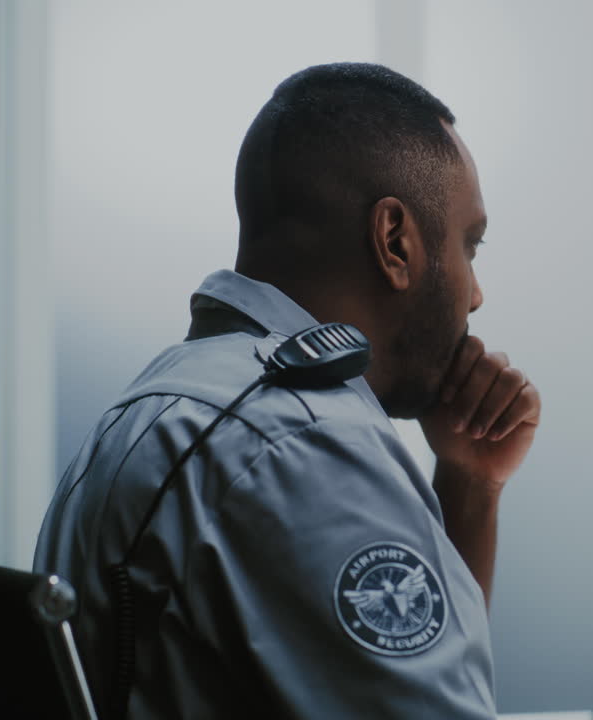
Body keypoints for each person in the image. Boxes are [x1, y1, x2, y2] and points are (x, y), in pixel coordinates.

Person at [34, 62, 540, 719]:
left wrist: (469, 483)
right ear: (395, 241)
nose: (475, 295)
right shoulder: (303, 446)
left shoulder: (158, 405)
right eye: (469, 245)